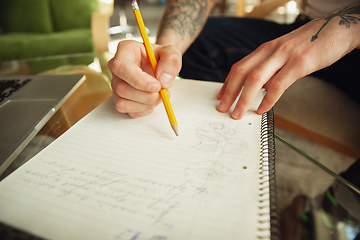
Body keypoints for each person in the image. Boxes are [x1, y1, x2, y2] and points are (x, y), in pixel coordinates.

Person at [108, 0, 360, 120]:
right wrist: (165, 51)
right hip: (308, 24)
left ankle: (338, 203)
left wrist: (346, 28)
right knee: (200, 40)